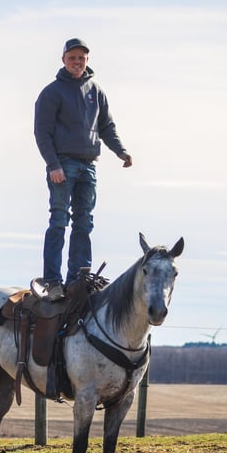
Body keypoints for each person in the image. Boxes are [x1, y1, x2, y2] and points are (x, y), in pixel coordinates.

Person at [34, 37, 132, 301]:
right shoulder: (52, 92)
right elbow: (42, 133)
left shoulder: (95, 90)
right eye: (72, 58)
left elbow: (106, 127)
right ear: (63, 59)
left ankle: (77, 279)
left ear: (87, 60)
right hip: (62, 165)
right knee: (58, 220)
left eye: (81, 58)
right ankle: (52, 281)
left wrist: (120, 150)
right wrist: (53, 164)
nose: (77, 62)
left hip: (89, 166)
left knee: (84, 222)